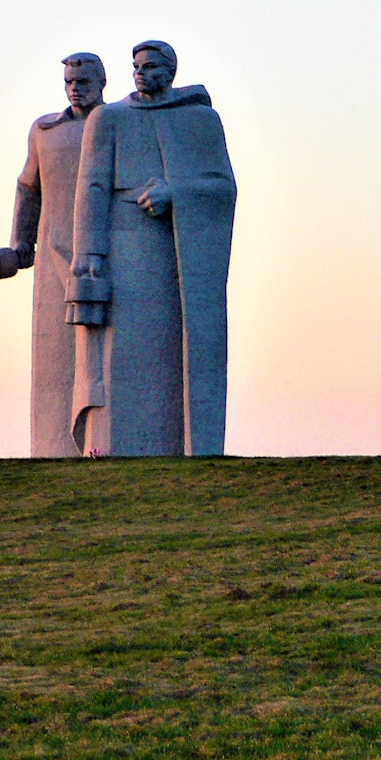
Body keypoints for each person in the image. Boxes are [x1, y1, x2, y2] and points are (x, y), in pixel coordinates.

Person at [68, 40, 237, 457]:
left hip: (176, 250)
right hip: (122, 243)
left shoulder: (200, 120)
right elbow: (91, 186)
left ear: (170, 72)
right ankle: (113, 446)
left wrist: (176, 192)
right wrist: (88, 255)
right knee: (119, 348)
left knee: (173, 346)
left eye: (148, 66)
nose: (139, 73)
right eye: (135, 66)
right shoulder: (109, 118)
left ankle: (180, 445)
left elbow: (222, 186)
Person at [4, 53, 107, 457]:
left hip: (102, 253)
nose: (75, 87)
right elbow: (28, 188)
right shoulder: (45, 131)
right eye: (69, 81)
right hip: (51, 256)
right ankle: (54, 449)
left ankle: (104, 442)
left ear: (101, 81)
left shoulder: (116, 125)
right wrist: (20, 242)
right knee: (55, 358)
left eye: (82, 80)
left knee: (103, 356)